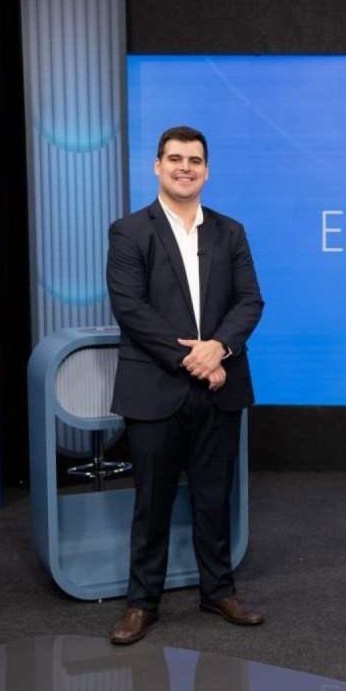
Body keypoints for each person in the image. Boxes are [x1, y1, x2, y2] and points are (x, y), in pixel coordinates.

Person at [106, 125, 265, 645]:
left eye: (195, 160)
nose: (185, 167)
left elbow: (249, 302)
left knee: (214, 497)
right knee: (151, 501)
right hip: (155, 388)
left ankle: (218, 590)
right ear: (156, 166)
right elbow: (132, 310)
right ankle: (141, 602)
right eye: (175, 158)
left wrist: (218, 349)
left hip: (220, 386)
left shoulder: (230, 231)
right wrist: (194, 359)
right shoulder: (129, 232)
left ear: (207, 170)